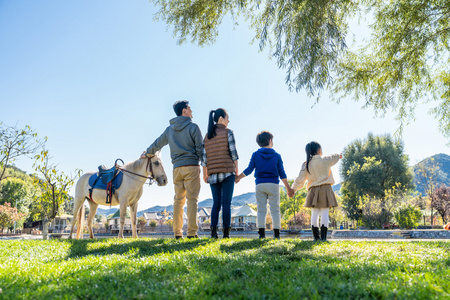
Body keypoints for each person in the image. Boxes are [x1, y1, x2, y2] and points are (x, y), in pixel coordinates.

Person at [142, 100, 203, 239]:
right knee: (192, 200)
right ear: (184, 111)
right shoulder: (193, 127)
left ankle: (177, 233)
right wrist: (203, 164)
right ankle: (192, 233)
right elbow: (200, 149)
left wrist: (146, 153)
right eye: (189, 108)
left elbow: (157, 144)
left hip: (177, 169)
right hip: (192, 167)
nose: (192, 110)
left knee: (178, 201)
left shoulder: (169, 130)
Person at [235, 131, 294, 239]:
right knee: (275, 210)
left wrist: (238, 177)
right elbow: (282, 173)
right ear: (270, 141)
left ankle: (261, 235)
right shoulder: (277, 155)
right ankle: (276, 235)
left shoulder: (255, 155)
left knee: (261, 210)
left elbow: (249, 170)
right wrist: (288, 188)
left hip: (260, 185)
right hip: (273, 185)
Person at [291, 141, 342, 241]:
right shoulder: (325, 160)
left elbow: (299, 180)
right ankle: (323, 237)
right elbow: (334, 156)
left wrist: (292, 190)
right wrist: (339, 156)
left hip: (313, 191)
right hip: (325, 189)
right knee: (324, 214)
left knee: (314, 214)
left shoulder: (306, 165)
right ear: (319, 150)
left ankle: (316, 237)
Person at [202, 108, 239, 239]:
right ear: (221, 119)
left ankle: (213, 232)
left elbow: (204, 159)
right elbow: (234, 154)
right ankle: (226, 233)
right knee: (226, 204)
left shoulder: (207, 136)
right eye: (227, 118)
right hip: (227, 172)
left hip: (212, 175)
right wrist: (237, 171)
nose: (229, 120)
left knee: (216, 203)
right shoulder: (228, 132)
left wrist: (204, 174)